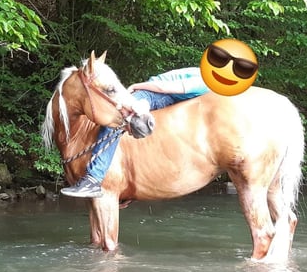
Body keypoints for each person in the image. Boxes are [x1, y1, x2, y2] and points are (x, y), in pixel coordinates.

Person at [60, 67, 209, 197]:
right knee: (114, 122)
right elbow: (165, 89)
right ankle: (94, 178)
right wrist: (138, 86)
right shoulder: (205, 81)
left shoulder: (202, 75)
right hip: (151, 93)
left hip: (161, 94)